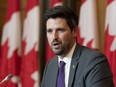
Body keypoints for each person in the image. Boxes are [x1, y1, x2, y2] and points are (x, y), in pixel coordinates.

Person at [40, 6, 114, 87]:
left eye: (60, 30)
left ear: (74, 31)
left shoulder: (94, 61)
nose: (54, 37)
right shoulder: (50, 65)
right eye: (49, 31)